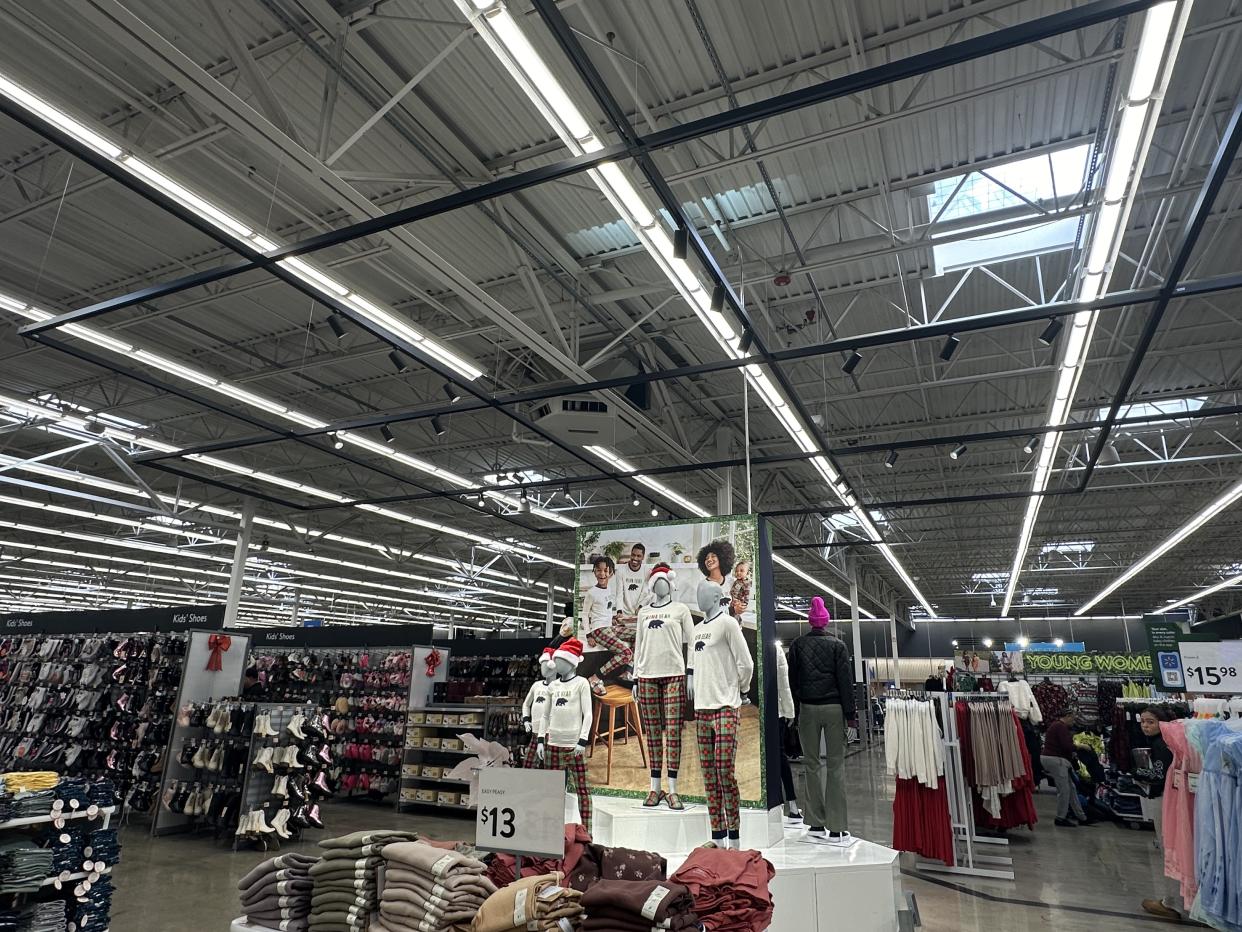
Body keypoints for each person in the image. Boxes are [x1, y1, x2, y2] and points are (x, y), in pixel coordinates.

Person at [787, 596, 855, 844]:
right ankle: (837, 826)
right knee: (836, 765)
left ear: (810, 621)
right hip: (834, 708)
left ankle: (815, 822)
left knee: (811, 765)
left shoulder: (797, 645)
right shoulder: (838, 646)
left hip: (807, 709)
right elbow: (846, 683)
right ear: (825, 621)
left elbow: (792, 682)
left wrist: (793, 712)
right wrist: (851, 716)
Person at [1136, 706, 1182, 921]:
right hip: (1173, 798)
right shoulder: (1170, 740)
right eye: (1143, 721)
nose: (1145, 725)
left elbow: (1158, 774)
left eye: (1150, 722)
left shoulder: (1162, 744)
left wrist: (1137, 772)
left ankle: (1171, 903)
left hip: (1165, 799)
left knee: (1168, 849)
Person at [581, 555, 632, 696]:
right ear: (594, 572)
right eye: (598, 570)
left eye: (605, 571)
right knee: (626, 653)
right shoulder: (591, 593)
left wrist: (613, 619)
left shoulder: (610, 590)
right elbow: (585, 615)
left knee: (638, 634)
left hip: (609, 627)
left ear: (611, 573)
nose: (602, 574)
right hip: (599, 630)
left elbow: (605, 611)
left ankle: (628, 671)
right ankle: (595, 677)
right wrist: (588, 634)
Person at [1039, 707, 1094, 827]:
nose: (1073, 721)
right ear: (1068, 716)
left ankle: (1081, 817)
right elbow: (1066, 746)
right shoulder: (1060, 727)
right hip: (1056, 760)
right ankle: (1060, 818)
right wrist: (1081, 747)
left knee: (1071, 788)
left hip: (1053, 759)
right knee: (1064, 790)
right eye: (1073, 718)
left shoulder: (1056, 726)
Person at [614, 543, 649, 621]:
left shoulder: (646, 571)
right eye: (633, 555)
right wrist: (619, 611)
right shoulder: (621, 570)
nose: (635, 558)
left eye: (638, 556)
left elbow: (646, 593)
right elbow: (619, 594)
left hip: (640, 612)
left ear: (643, 557)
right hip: (624, 614)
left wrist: (641, 607)